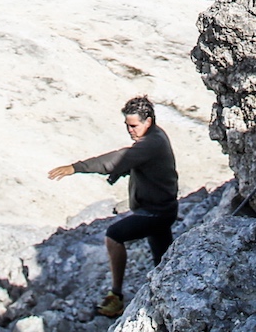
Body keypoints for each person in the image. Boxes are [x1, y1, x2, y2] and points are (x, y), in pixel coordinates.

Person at [48, 95, 179, 319]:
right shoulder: (154, 137)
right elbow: (135, 162)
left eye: (134, 125)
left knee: (114, 235)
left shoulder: (152, 143)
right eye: (127, 125)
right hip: (161, 210)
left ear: (148, 121)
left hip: (156, 213)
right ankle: (172, 305)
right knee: (165, 265)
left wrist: (76, 167)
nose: (130, 130)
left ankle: (116, 296)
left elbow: (117, 159)